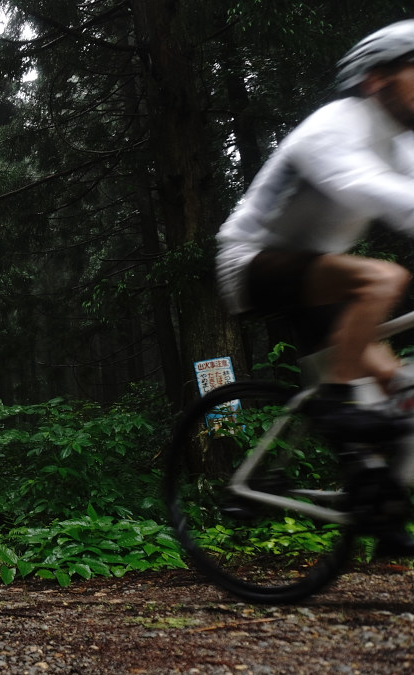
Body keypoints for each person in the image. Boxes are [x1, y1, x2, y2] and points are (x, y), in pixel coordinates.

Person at [215, 20, 414, 554]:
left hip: (320, 280)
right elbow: (369, 188)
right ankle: (333, 400)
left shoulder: (400, 141)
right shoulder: (334, 126)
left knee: (402, 396)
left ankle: (375, 501)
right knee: (385, 277)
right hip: (250, 261)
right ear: (377, 79)